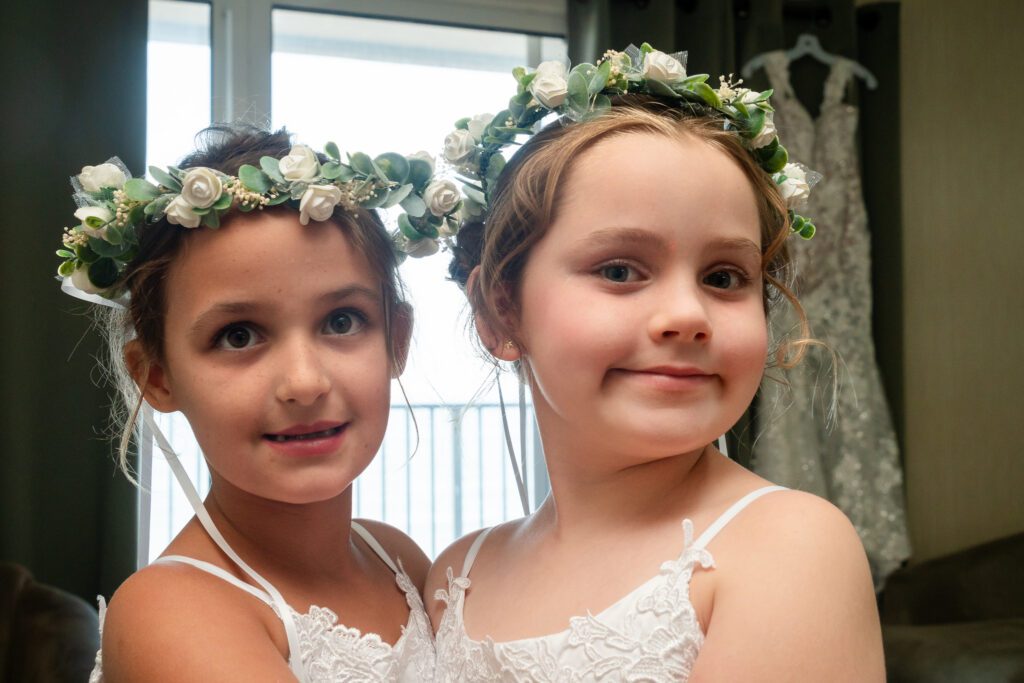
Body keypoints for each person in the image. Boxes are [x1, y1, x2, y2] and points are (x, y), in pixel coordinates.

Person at [427, 45, 884, 681]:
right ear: (502, 311)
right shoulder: (457, 576)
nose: (687, 315)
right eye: (619, 270)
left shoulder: (790, 545)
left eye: (724, 277)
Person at [56, 125, 460, 681]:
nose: (304, 382)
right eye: (239, 335)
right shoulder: (171, 611)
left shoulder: (397, 558)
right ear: (157, 377)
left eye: (341, 321)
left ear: (397, 340)